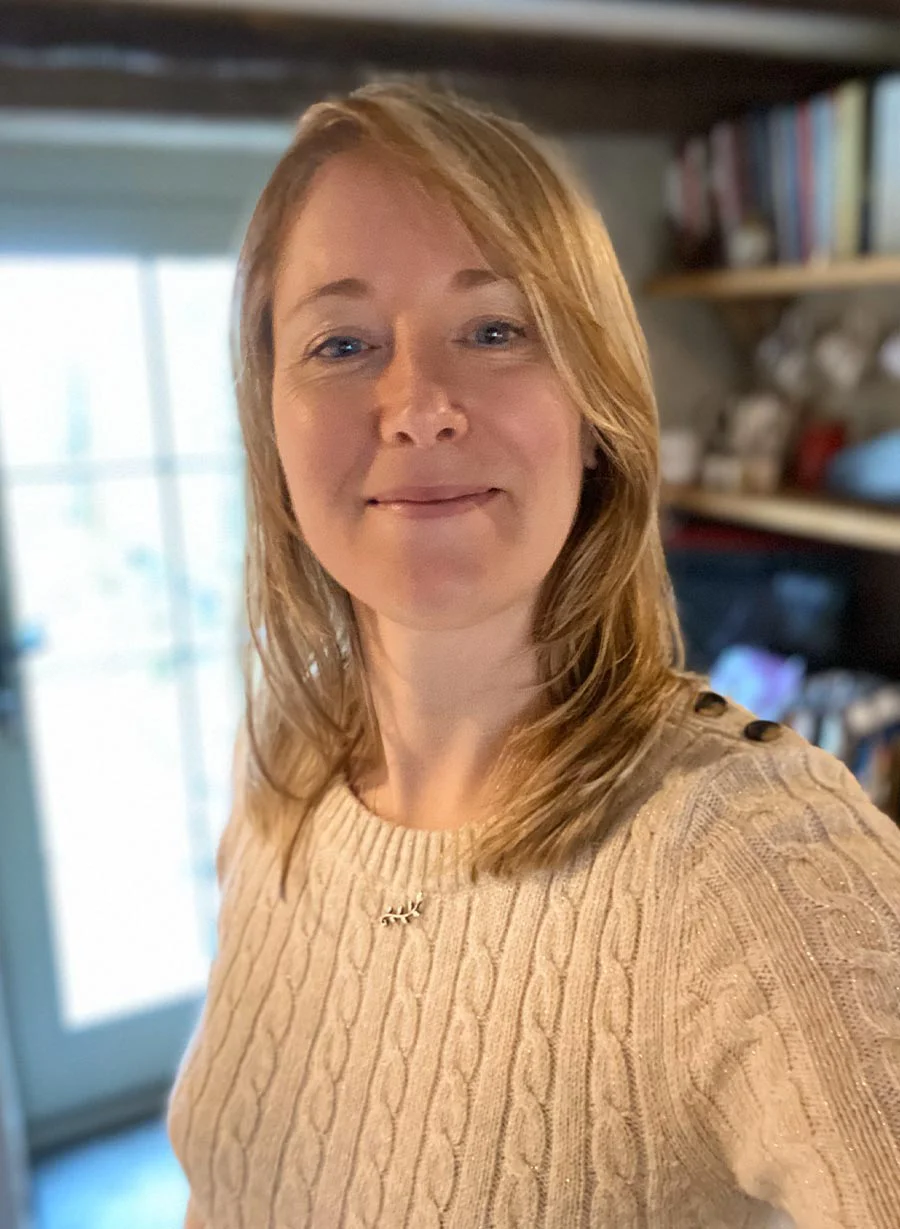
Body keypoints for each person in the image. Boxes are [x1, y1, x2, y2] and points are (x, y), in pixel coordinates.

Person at [167, 80, 900, 1228]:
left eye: (496, 328)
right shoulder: (284, 773)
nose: (418, 403)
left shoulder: (752, 851)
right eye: (343, 340)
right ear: (269, 418)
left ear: (594, 406)